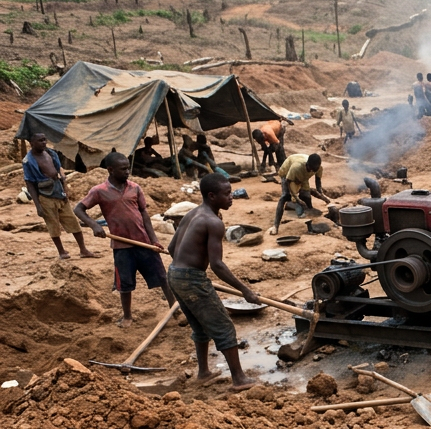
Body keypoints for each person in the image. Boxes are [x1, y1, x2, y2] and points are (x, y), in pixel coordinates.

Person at [168, 174, 259, 391]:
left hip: (174, 274)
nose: (231, 198)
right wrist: (245, 290)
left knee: (200, 326)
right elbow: (217, 265)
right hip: (191, 279)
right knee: (223, 326)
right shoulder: (213, 222)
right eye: (226, 194)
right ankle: (239, 379)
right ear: (212, 196)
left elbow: (172, 248)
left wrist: (187, 266)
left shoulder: (192, 213)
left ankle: (204, 372)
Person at [74, 151, 176, 328]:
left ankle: (175, 309)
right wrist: (94, 225)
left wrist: (153, 240)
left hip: (143, 242)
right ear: (111, 170)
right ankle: (127, 316)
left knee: (162, 278)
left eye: (128, 168)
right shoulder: (99, 191)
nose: (127, 172)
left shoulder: (135, 188)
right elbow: (78, 209)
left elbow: (144, 214)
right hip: (121, 246)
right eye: (123, 169)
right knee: (125, 283)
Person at [23, 132, 99, 260]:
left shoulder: (51, 153)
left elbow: (59, 171)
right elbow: (30, 184)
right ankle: (61, 251)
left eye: (44, 140)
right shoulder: (28, 161)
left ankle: (83, 249)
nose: (44, 143)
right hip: (45, 196)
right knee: (53, 225)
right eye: (40, 141)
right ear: (31, 143)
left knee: (73, 221)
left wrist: (65, 189)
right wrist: (38, 206)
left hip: (59, 192)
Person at [269, 153, 330, 235]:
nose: (312, 171)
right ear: (307, 164)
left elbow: (318, 183)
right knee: (284, 196)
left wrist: (322, 196)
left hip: (303, 176)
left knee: (307, 197)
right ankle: (275, 226)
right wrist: (297, 199)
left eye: (314, 170)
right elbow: (288, 182)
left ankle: (310, 227)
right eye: (310, 169)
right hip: (287, 173)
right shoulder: (296, 167)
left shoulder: (318, 168)